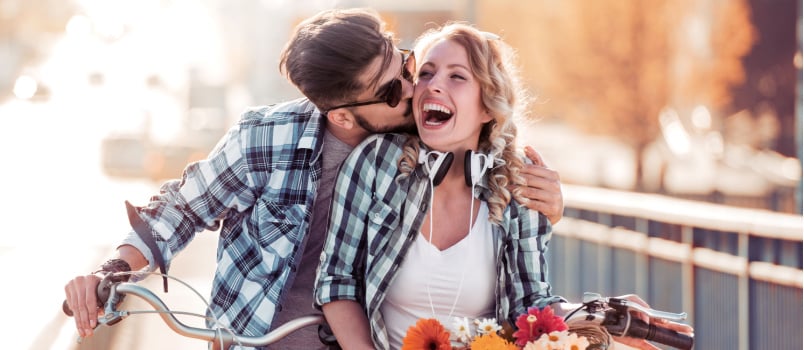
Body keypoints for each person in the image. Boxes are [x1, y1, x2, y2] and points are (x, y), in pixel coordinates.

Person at [62, 8, 565, 350]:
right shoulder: (266, 139)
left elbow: (487, 192)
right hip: (257, 339)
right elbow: (179, 210)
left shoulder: (426, 142)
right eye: (392, 91)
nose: (416, 88)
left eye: (407, 65)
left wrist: (549, 209)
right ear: (344, 116)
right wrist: (113, 270)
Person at [314, 22, 693, 350]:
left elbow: (530, 305)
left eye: (457, 77)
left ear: (487, 107)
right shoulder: (377, 162)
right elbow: (336, 281)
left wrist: (600, 314)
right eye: (426, 73)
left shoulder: (519, 178)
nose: (432, 86)